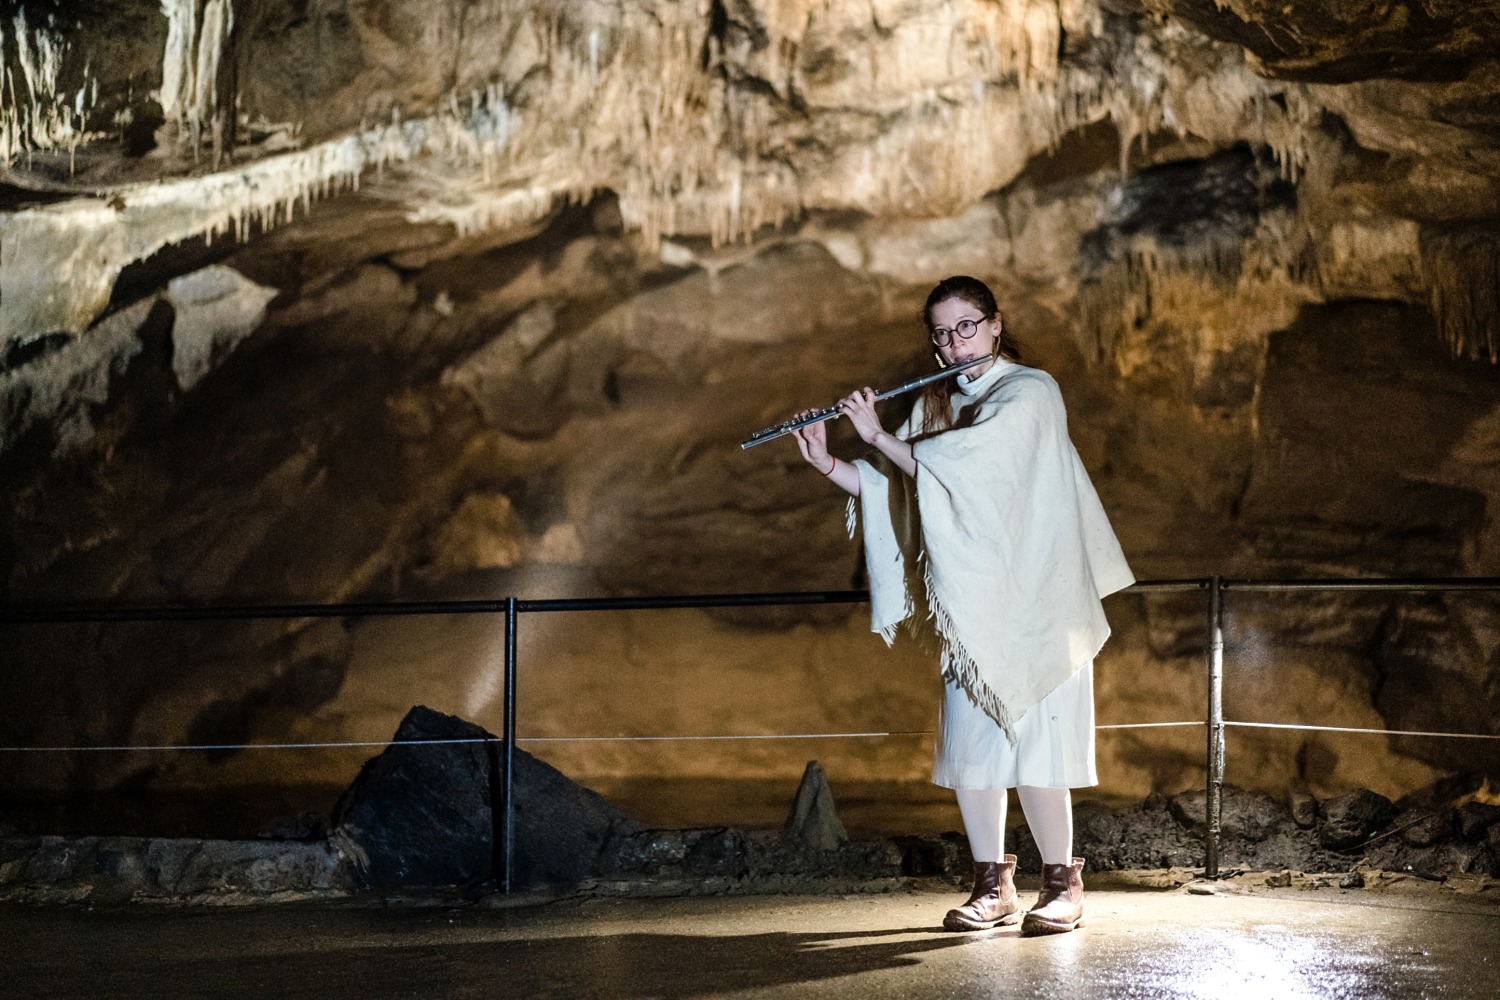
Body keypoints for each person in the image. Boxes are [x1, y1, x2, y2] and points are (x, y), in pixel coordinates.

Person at [791, 275, 1133, 935]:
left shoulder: (1032, 391)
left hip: (1038, 602)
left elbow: (972, 471)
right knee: (975, 753)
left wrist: (879, 436)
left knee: (1038, 750)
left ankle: (1062, 882)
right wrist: (833, 462)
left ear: (996, 325)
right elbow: (900, 486)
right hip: (972, 608)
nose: (954, 344)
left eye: (966, 327)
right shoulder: (936, 404)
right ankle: (992, 886)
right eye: (942, 334)